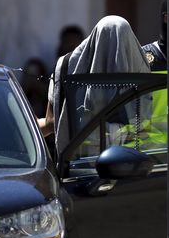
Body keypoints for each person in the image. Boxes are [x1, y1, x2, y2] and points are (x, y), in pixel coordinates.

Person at [38, 16, 149, 155]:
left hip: (77, 164)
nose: (116, 56)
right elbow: (145, 127)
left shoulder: (68, 66)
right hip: (125, 164)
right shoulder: (140, 72)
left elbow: (52, 123)